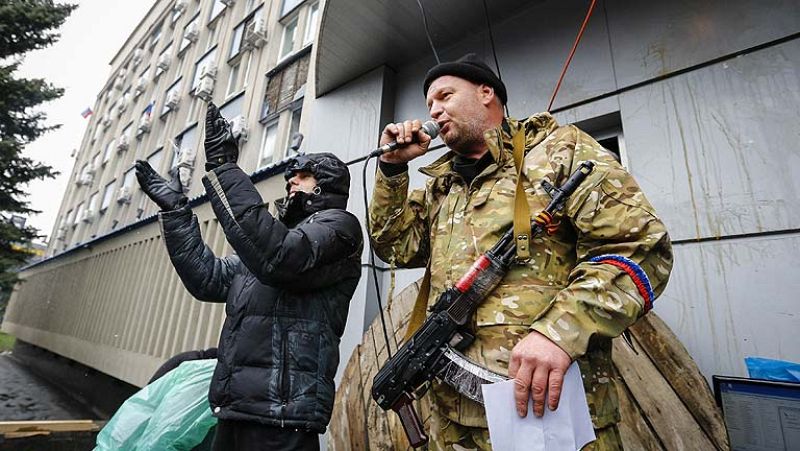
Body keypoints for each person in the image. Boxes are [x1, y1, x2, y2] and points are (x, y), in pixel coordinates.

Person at [369, 54, 673, 450]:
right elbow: (394, 246)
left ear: (485, 92)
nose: (435, 110)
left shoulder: (558, 151)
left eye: (445, 95)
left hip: (547, 416)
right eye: (429, 105)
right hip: (453, 424)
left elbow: (641, 246)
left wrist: (559, 332)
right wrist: (392, 170)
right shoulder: (440, 189)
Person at [135, 103, 363, 451]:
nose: (291, 179)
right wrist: (176, 213)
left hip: (282, 420)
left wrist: (224, 168)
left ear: (325, 184)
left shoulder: (338, 228)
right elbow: (208, 278)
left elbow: (279, 258)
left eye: (302, 174)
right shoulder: (273, 242)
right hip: (235, 408)